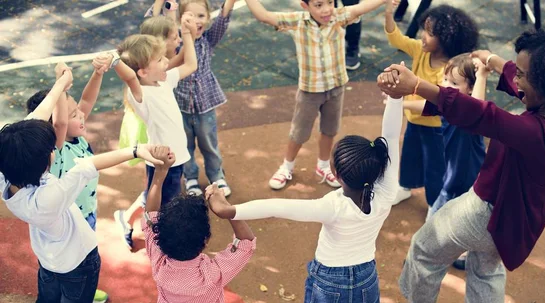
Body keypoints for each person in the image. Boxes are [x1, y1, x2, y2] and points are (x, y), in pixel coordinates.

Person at [379, 28, 545, 303]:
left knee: (424, 248)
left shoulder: (535, 133)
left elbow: (484, 116)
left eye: (523, 75)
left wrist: (418, 85)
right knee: (487, 270)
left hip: (483, 210)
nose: (517, 79)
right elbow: (529, 92)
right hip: (521, 218)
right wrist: (496, 63)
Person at [206, 93, 404, 303]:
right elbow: (391, 135)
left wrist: (231, 210)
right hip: (365, 276)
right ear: (379, 167)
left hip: (328, 281)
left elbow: (276, 206)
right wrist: (395, 99)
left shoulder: (332, 206)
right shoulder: (387, 191)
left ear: (336, 175)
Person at [0, 64, 165, 303]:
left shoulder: (9, 175)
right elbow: (88, 165)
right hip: (79, 264)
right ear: (45, 160)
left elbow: (38, 121)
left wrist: (62, 83)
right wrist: (137, 150)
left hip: (49, 261)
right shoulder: (52, 194)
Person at [143, 149, 255, 303]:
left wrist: (159, 175)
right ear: (205, 240)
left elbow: (149, 217)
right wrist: (227, 210)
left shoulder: (158, 262)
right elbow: (246, 243)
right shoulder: (212, 273)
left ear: (162, 237)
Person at [244, 0, 387, 191]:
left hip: (335, 87)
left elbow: (362, 7)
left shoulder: (338, 16)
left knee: (329, 130)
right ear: (306, 6)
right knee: (299, 133)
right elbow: (265, 16)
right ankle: (287, 166)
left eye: (329, 2)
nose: (326, 9)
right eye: (318, 5)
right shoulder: (298, 21)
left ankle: (323, 166)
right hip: (310, 90)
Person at [26, 61, 113, 303]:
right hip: (67, 222)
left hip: (86, 212)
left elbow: (86, 99)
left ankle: (84, 291)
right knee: (69, 269)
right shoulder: (59, 147)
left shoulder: (78, 134)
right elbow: (61, 120)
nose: (81, 116)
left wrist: (98, 74)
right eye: (74, 113)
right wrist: (61, 83)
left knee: (85, 260)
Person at [108, 16, 198, 247]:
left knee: (161, 198)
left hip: (174, 158)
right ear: (143, 72)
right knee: (163, 205)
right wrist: (115, 60)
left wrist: (187, 34)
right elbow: (129, 76)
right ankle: (157, 241)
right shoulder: (139, 95)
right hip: (162, 160)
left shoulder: (164, 82)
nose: (166, 61)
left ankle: (133, 223)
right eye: (159, 59)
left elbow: (191, 65)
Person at [384, 1, 478, 211]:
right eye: (423, 30)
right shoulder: (420, 51)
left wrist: (401, 104)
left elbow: (434, 103)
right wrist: (389, 14)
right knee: (409, 155)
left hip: (436, 128)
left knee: (435, 167)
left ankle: (434, 204)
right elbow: (396, 38)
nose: (422, 37)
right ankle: (405, 186)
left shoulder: (450, 71)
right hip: (415, 121)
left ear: (446, 39)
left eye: (429, 33)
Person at [402, 53, 489, 269]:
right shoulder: (450, 106)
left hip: (470, 185)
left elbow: (476, 107)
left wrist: (482, 76)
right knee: (436, 220)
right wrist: (401, 103)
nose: (445, 85)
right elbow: (427, 106)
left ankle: (455, 254)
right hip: (449, 178)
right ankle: (424, 254)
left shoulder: (472, 115)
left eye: (454, 83)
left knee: (463, 223)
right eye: (444, 79)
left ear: (470, 88)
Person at [174, 0, 236, 197]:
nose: (196, 21)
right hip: (180, 106)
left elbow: (223, 21)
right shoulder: (176, 43)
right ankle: (190, 177)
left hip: (205, 106)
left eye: (201, 16)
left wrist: (230, 3)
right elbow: (160, 27)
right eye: (189, 16)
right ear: (180, 20)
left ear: (208, 18)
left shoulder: (208, 40)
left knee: (209, 144)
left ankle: (216, 176)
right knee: (185, 145)